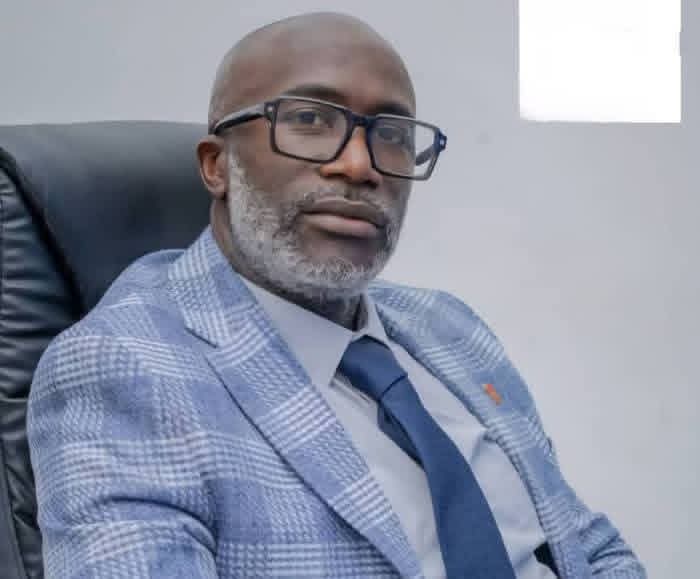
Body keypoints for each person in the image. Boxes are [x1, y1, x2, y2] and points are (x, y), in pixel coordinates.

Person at [28, 12, 646, 579]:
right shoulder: (124, 367)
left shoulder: (448, 325)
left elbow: (588, 549)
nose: (359, 165)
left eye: (391, 133)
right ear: (217, 165)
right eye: (308, 120)